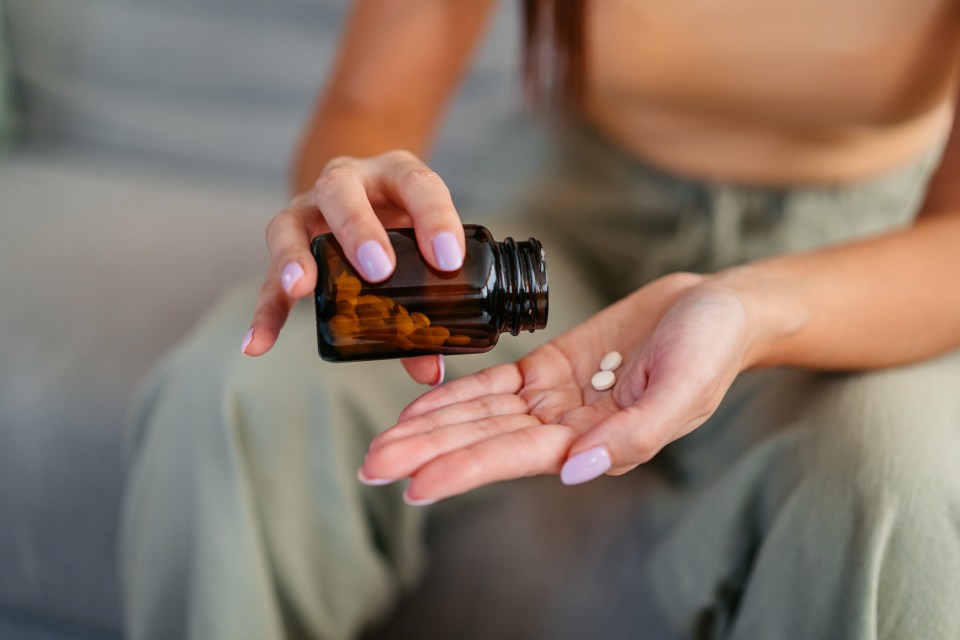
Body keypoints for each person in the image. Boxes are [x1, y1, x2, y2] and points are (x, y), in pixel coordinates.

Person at [121, 1, 960, 638]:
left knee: (891, 488)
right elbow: (369, 104)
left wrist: (752, 307)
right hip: (566, 225)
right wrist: (353, 193)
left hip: (858, 260)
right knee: (232, 396)